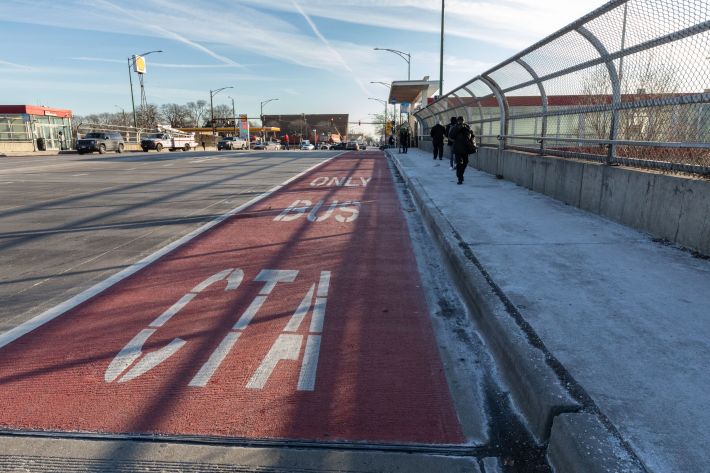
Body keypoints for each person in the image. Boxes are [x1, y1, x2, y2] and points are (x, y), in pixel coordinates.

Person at [449, 116, 474, 185]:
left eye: (462, 120)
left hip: (465, 148)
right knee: (459, 163)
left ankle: (460, 174)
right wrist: (458, 128)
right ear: (457, 121)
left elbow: (471, 135)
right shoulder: (454, 127)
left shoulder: (467, 127)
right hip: (457, 149)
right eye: (459, 121)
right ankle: (460, 178)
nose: (461, 122)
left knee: (466, 162)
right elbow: (451, 136)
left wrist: (470, 134)